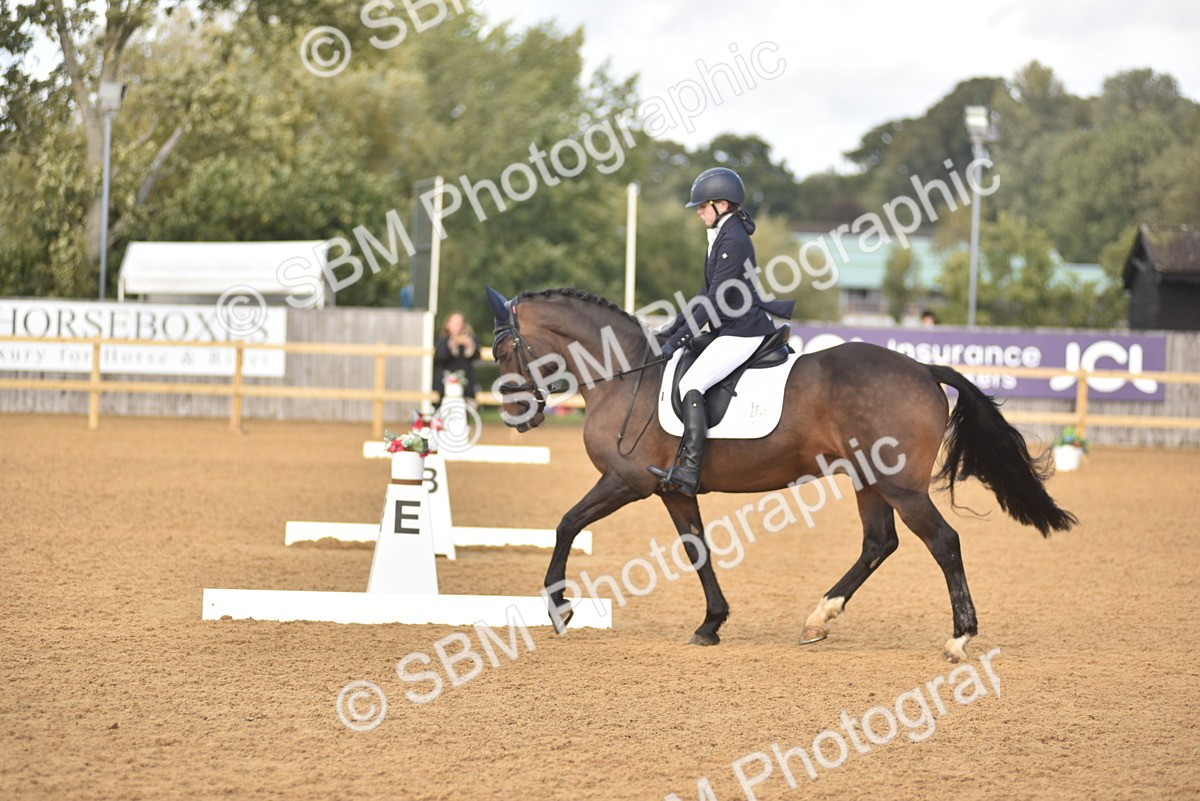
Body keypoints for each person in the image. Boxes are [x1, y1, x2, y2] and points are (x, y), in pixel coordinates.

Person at [647, 167, 795, 496]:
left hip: (742, 331)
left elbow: (715, 299)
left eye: (702, 206)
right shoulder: (721, 234)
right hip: (729, 327)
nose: (698, 212)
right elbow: (704, 292)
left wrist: (678, 340)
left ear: (722, 205)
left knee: (691, 383)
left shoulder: (734, 239)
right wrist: (673, 329)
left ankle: (689, 469)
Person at [433, 311, 479, 406]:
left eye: (459, 324)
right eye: (454, 323)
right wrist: (450, 347)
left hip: (466, 385)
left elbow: (477, 355)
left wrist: (470, 346)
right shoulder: (442, 340)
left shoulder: (470, 339)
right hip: (444, 385)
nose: (457, 326)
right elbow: (439, 358)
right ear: (448, 325)